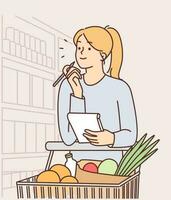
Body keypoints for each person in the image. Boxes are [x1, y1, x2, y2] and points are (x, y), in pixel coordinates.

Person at [58, 26, 137, 162]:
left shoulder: (120, 88)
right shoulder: (68, 85)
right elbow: (68, 138)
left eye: (89, 48)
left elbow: (131, 134)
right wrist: (77, 95)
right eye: (79, 47)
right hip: (78, 167)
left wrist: (111, 138)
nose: (82, 52)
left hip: (112, 167)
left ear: (102, 55)